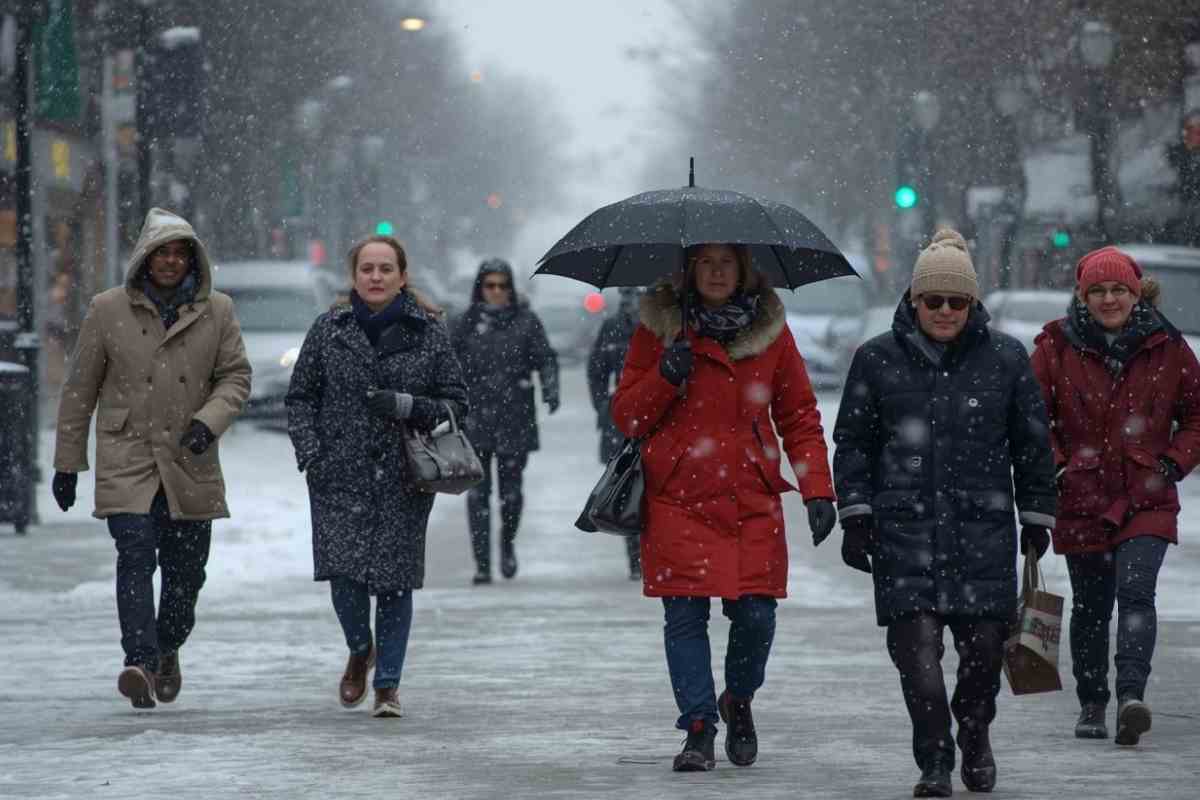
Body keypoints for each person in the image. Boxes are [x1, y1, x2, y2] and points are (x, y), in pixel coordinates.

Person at [831, 229, 1056, 797]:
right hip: (903, 533)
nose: (946, 311)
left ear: (973, 304)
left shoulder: (1006, 359)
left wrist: (1037, 515)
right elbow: (853, 442)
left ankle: (975, 732)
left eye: (957, 301)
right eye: (934, 300)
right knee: (917, 662)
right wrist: (855, 513)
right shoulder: (876, 359)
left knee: (984, 656)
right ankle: (934, 757)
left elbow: (1033, 445)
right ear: (914, 300)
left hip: (984, 534)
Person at [610, 243, 837, 772]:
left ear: (744, 270)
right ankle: (697, 727)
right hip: (676, 497)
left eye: (726, 261)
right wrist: (665, 374)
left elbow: (800, 415)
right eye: (705, 261)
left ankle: (738, 699)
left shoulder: (771, 333)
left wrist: (818, 491)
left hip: (748, 496)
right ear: (689, 269)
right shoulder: (659, 329)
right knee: (684, 614)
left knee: (756, 614)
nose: (715, 271)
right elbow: (626, 416)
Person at [51, 207, 251, 709]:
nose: (170, 261)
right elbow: (80, 390)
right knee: (135, 556)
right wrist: (66, 463)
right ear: (145, 257)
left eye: (179, 253)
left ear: (192, 259)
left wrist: (210, 420)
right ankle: (139, 660)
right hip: (129, 455)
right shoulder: (107, 309)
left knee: (187, 573)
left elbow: (235, 377)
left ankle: (168, 645)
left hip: (189, 454)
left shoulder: (218, 311)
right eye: (161, 252)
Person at [286, 234, 468, 718]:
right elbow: (301, 396)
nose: (376, 277)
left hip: (402, 477)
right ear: (354, 276)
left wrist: (410, 405)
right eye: (367, 268)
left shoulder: (428, 332)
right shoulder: (328, 329)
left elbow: (457, 404)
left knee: (394, 583)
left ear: (402, 276)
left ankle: (387, 684)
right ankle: (360, 648)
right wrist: (311, 452)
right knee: (343, 577)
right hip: (336, 474)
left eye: (386, 268)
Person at [1030, 246, 1200, 747]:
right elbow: (1033, 418)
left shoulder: (1168, 346)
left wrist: (1172, 462)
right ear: (1082, 296)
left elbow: (1197, 414)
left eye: (1119, 290)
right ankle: (1092, 700)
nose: (1109, 299)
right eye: (1098, 291)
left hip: (1147, 496)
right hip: (1080, 497)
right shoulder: (1054, 347)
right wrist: (1058, 466)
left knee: (1136, 591)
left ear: (1136, 291)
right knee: (1091, 604)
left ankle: (1131, 695)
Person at [450, 258, 559, 585]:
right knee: (477, 495)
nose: (496, 292)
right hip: (475, 419)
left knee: (511, 494)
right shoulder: (464, 324)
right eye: (490, 286)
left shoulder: (526, 322)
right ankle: (482, 563)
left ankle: (507, 543)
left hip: (515, 416)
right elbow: (447, 365)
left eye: (502, 286)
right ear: (480, 288)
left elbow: (545, 358)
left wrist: (550, 389)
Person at [587, 286, 643, 579]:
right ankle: (635, 557)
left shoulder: (661, 325)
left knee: (654, 487)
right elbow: (596, 370)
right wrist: (603, 406)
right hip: (620, 420)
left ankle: (646, 553)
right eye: (626, 293)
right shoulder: (610, 327)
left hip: (654, 418)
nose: (629, 299)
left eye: (635, 294)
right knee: (626, 485)